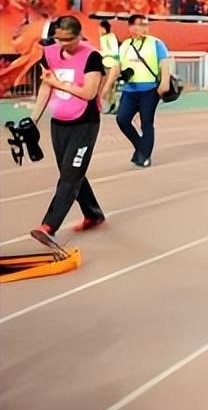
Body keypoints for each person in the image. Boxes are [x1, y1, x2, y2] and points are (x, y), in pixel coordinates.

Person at [29, 16, 106, 244]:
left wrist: (58, 84)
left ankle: (49, 226)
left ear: (79, 36)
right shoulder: (50, 53)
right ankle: (93, 213)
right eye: (59, 39)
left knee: (70, 175)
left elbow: (89, 92)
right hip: (59, 123)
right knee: (70, 171)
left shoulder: (92, 57)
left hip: (84, 124)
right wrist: (33, 119)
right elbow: (46, 86)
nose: (63, 44)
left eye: (69, 40)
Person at [104, 14, 171, 168]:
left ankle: (145, 156)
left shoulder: (156, 43)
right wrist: (107, 87)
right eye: (140, 24)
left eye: (146, 24)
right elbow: (116, 67)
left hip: (150, 90)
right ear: (131, 27)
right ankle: (141, 146)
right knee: (122, 119)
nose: (144, 28)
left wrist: (164, 82)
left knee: (146, 122)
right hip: (130, 90)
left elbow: (164, 63)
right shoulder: (125, 45)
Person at [98, 19, 120, 114]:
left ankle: (110, 105)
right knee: (110, 86)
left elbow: (110, 51)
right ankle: (112, 105)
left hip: (109, 64)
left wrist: (99, 53)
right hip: (110, 64)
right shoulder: (109, 37)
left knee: (108, 85)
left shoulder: (107, 38)